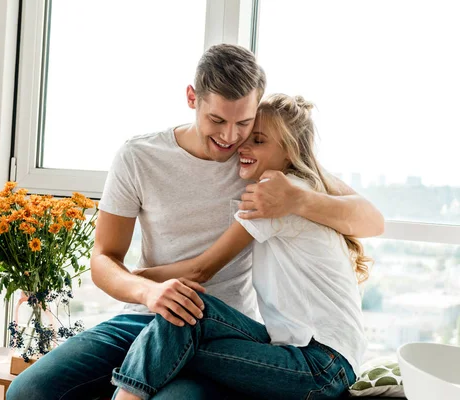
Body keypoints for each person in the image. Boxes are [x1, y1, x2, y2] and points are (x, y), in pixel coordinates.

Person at [6, 44, 383, 400]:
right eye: (216, 119)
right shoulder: (140, 156)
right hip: (149, 313)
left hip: (223, 328)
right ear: (192, 98)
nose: (231, 137)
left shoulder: (265, 168)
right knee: (28, 391)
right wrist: (148, 292)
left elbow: (371, 219)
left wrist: (298, 198)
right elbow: (104, 260)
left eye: (244, 125)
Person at [112, 93, 370, 400]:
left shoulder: (276, 195)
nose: (242, 146)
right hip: (308, 352)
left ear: (289, 152)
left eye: (258, 141)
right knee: (190, 315)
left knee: (181, 327)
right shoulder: (304, 188)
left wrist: (136, 278)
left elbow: (201, 269)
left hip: (320, 365)